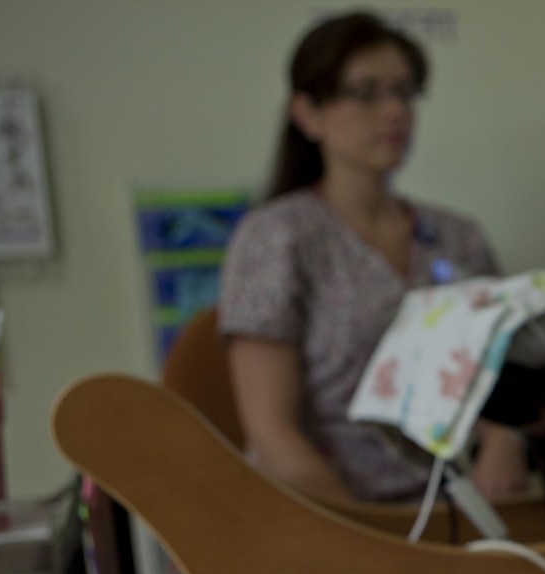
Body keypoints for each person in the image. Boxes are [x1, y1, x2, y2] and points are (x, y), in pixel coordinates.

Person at [218, 10, 529, 505]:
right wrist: (372, 540)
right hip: (332, 518)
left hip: (462, 509)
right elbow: (272, 435)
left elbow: (506, 375)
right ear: (308, 113)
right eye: (366, 93)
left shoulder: (458, 236)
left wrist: (505, 441)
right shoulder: (277, 239)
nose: (394, 112)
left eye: (404, 92)